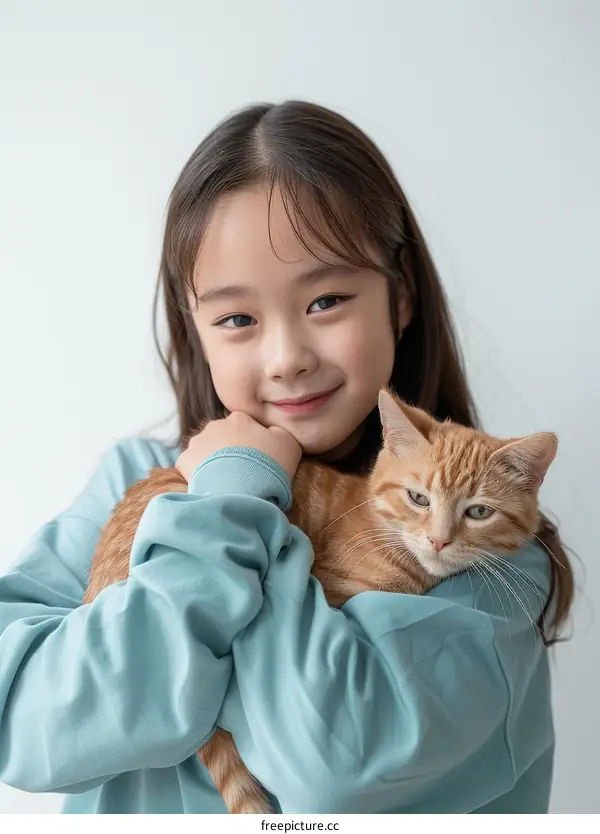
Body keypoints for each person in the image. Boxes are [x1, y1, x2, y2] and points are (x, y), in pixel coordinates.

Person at [0, 101, 573, 814]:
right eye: (237, 318)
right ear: (195, 324)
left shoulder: (487, 559)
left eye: (326, 299)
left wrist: (228, 505)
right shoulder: (131, 478)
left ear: (401, 297)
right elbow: (25, 727)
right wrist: (226, 495)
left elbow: (332, 764)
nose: (286, 359)